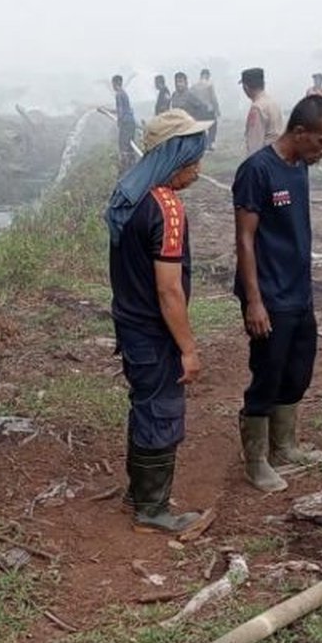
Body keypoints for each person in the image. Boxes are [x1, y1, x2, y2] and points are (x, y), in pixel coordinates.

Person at [104, 108, 213, 533]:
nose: (199, 168)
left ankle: (140, 491)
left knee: (145, 403)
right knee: (162, 411)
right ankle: (153, 507)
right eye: (194, 158)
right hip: (154, 330)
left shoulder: (128, 194)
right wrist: (188, 348)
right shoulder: (166, 208)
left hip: (129, 324)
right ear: (176, 156)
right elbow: (169, 290)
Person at [232, 95, 322, 492]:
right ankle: (256, 460)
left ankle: (284, 444)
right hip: (268, 294)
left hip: (299, 290)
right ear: (298, 132)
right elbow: (245, 239)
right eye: (321, 141)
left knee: (299, 369)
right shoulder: (256, 171)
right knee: (268, 372)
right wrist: (254, 300)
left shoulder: (299, 167)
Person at [239, 67, 283, 157]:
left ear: (245, 87)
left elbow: (255, 145)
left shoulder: (257, 108)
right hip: (277, 155)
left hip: (265, 159)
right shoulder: (272, 102)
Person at [110, 74, 137, 172]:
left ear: (116, 83)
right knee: (130, 146)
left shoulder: (118, 94)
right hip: (131, 122)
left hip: (125, 124)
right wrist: (107, 110)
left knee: (123, 146)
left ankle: (126, 169)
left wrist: (119, 121)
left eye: (112, 83)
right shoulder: (124, 93)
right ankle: (133, 167)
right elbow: (122, 109)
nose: (112, 86)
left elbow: (120, 111)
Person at [191, 68, 221, 149]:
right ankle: (210, 143)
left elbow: (191, 98)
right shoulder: (209, 85)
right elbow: (213, 98)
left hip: (198, 110)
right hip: (208, 109)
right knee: (212, 126)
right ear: (207, 75)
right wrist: (217, 110)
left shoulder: (194, 86)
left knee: (200, 128)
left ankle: (200, 144)